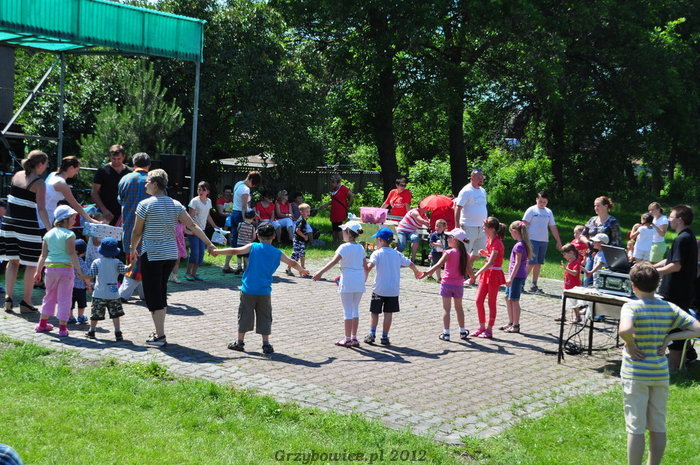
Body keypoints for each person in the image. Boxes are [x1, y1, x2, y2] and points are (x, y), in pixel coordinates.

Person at [618, 263, 700, 465]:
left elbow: (625, 330)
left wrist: (630, 344)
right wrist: (669, 338)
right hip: (659, 373)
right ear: (658, 283)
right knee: (658, 425)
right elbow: (697, 328)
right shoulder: (668, 307)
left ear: (633, 286)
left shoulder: (631, 306)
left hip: (636, 374)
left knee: (636, 426)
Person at [130, 169, 216, 347]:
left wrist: (132, 249)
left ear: (155, 184)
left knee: (154, 295)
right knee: (161, 292)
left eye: (147, 182)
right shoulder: (176, 204)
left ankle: (160, 336)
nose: (145, 185)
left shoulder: (145, 204)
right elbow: (193, 225)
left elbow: (137, 231)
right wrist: (209, 243)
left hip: (152, 255)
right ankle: (159, 331)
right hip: (170, 255)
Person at [212, 222, 309, 354]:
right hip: (264, 291)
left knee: (244, 315)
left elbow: (235, 251)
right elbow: (292, 262)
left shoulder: (253, 246)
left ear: (257, 235)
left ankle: (240, 342)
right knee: (265, 316)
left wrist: (217, 251)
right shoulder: (277, 252)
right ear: (274, 236)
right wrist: (302, 270)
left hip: (248, 289)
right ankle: (266, 344)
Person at [0, 150, 50, 314]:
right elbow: (41, 209)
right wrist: (50, 229)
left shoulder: (17, 175)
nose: (46, 167)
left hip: (8, 223)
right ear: (40, 164)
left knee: (12, 261)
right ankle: (26, 302)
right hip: (26, 225)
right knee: (31, 263)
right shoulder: (39, 183)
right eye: (46, 164)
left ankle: (8, 298)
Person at [33, 206, 90, 337]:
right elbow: (72, 254)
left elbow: (43, 255)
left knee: (49, 296)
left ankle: (42, 324)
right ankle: (63, 328)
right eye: (73, 218)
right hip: (66, 270)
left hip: (50, 269)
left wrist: (38, 271)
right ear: (65, 219)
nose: (75, 221)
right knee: (65, 298)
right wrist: (79, 271)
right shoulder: (69, 234)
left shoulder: (48, 234)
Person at [653, 205, 697, 371]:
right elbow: (670, 260)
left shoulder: (682, 239)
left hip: (676, 292)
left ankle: (674, 367)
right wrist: (650, 266)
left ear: (680, 220)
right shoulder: (688, 236)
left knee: (675, 328)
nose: (669, 219)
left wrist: (653, 272)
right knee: (676, 326)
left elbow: (676, 266)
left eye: (671, 217)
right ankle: (680, 362)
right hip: (682, 291)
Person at [312, 221, 367, 347]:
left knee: (347, 310)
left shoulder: (344, 247)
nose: (342, 233)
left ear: (348, 233)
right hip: (359, 280)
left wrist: (320, 273)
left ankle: (347, 339)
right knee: (355, 309)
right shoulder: (361, 247)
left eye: (343, 231)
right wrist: (363, 279)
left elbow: (333, 262)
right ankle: (354, 337)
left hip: (348, 280)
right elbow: (365, 266)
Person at [363, 227, 421, 346]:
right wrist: (416, 271)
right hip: (393, 290)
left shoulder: (377, 253)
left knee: (374, 312)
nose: (376, 242)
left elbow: (369, 267)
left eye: (376, 240)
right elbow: (410, 263)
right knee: (388, 313)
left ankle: (371, 334)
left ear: (380, 240)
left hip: (378, 289)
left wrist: (362, 266)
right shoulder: (397, 254)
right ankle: (385, 337)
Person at [420, 228, 474, 341]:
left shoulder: (448, 252)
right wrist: (473, 278)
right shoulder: (466, 255)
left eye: (449, 237)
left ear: (455, 240)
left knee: (446, 309)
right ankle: (462, 331)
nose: (447, 239)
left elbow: (437, 265)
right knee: (459, 308)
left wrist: (426, 273)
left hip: (447, 285)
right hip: (458, 285)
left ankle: (446, 333)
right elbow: (469, 270)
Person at [85, 237, 129, 341]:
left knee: (95, 314)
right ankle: (118, 333)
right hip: (113, 294)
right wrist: (133, 262)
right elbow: (125, 270)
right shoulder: (117, 262)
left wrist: (82, 277)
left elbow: (91, 274)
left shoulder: (96, 262)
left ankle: (91, 331)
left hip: (99, 293)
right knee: (115, 315)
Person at [470, 217, 507, 339]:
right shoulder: (489, 240)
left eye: (484, 228)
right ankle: (481, 327)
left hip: (494, 275)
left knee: (491, 302)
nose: (483, 230)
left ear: (491, 229)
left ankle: (489, 330)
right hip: (487, 274)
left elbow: (491, 263)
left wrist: (475, 274)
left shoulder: (497, 243)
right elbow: (491, 257)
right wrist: (485, 253)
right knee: (478, 300)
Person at [40, 156, 96, 230]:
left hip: (42, 212)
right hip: (46, 216)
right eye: (76, 170)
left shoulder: (53, 174)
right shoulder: (61, 183)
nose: (76, 173)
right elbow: (75, 205)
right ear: (71, 168)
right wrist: (91, 220)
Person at [522, 192, 562, 293]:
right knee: (531, 263)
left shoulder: (548, 212)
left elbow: (552, 227)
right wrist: (522, 238)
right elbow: (523, 224)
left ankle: (534, 284)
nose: (542, 204)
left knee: (538, 263)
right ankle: (521, 283)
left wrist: (558, 240)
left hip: (544, 240)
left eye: (544, 202)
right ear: (536, 200)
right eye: (540, 201)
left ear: (547, 202)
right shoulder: (531, 210)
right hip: (532, 240)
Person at [224, 171, 262, 274]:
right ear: (251, 180)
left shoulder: (238, 184)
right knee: (244, 242)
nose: (253, 186)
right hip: (240, 215)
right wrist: (247, 221)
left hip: (234, 213)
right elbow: (244, 207)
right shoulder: (245, 189)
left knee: (234, 241)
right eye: (254, 184)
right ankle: (244, 267)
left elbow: (239, 203)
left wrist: (253, 213)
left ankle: (227, 265)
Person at [502, 221, 533, 333]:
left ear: (515, 232)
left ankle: (516, 325)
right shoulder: (521, 244)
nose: (511, 235)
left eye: (511, 233)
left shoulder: (519, 245)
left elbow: (517, 263)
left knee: (514, 300)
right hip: (514, 275)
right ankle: (511, 322)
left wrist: (510, 277)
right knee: (507, 297)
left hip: (516, 276)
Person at [117, 152, 150, 255]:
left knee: (131, 262)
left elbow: (120, 200)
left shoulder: (125, 179)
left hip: (129, 230)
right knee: (149, 263)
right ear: (149, 165)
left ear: (134, 164)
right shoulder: (154, 181)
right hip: (150, 234)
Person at [581, 196, 621, 281]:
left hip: (604, 257)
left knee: (599, 280)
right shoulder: (592, 220)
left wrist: (601, 250)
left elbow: (616, 242)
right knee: (587, 280)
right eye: (595, 206)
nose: (596, 208)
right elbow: (582, 235)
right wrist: (588, 242)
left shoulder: (613, 222)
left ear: (606, 206)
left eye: (598, 205)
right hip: (591, 255)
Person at [91, 144, 132, 225]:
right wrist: (104, 210)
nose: (116, 161)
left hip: (124, 213)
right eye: (114, 158)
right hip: (106, 213)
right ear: (110, 156)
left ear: (124, 157)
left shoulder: (129, 172)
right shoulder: (103, 170)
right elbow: (94, 192)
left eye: (119, 159)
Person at [185, 181, 217, 281]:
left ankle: (194, 273)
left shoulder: (209, 201)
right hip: (194, 230)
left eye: (203, 190)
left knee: (201, 253)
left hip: (202, 231)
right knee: (195, 252)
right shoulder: (194, 201)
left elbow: (208, 215)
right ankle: (188, 273)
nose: (201, 191)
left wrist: (214, 226)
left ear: (208, 191)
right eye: (199, 189)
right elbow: (189, 217)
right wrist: (186, 229)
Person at [453, 169, 487, 257]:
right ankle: (462, 265)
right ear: (472, 178)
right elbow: (458, 208)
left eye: (482, 177)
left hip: (482, 227)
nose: (481, 179)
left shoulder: (483, 191)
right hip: (468, 227)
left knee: (480, 252)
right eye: (478, 177)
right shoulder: (466, 191)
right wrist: (457, 226)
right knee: (464, 251)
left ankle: (469, 264)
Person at [319, 174, 354, 243]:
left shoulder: (343, 188)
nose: (331, 184)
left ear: (337, 182)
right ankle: (335, 242)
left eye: (333, 182)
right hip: (334, 211)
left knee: (339, 227)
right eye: (331, 182)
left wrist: (349, 204)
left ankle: (340, 242)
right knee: (334, 227)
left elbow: (352, 195)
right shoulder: (334, 189)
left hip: (340, 211)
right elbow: (333, 200)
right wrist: (324, 205)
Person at [555, 243, 585, 324]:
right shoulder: (570, 262)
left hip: (573, 287)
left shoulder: (576, 262)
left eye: (564, 254)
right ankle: (563, 316)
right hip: (567, 285)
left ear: (571, 253)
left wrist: (566, 269)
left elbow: (575, 273)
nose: (564, 256)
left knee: (574, 303)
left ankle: (578, 317)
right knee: (564, 301)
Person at [286, 203, 311, 277]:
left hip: (301, 240)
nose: (308, 213)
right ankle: (289, 268)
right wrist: (304, 236)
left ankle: (302, 269)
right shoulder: (301, 220)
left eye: (309, 211)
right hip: (298, 240)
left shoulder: (304, 219)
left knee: (302, 254)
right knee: (295, 255)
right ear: (301, 212)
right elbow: (297, 230)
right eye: (306, 212)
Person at [68, 239, 90, 325]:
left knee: (70, 303)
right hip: (80, 288)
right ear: (83, 253)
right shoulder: (81, 262)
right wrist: (89, 286)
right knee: (81, 303)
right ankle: (80, 316)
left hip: (69, 286)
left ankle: (70, 317)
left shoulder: (68, 260)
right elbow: (86, 276)